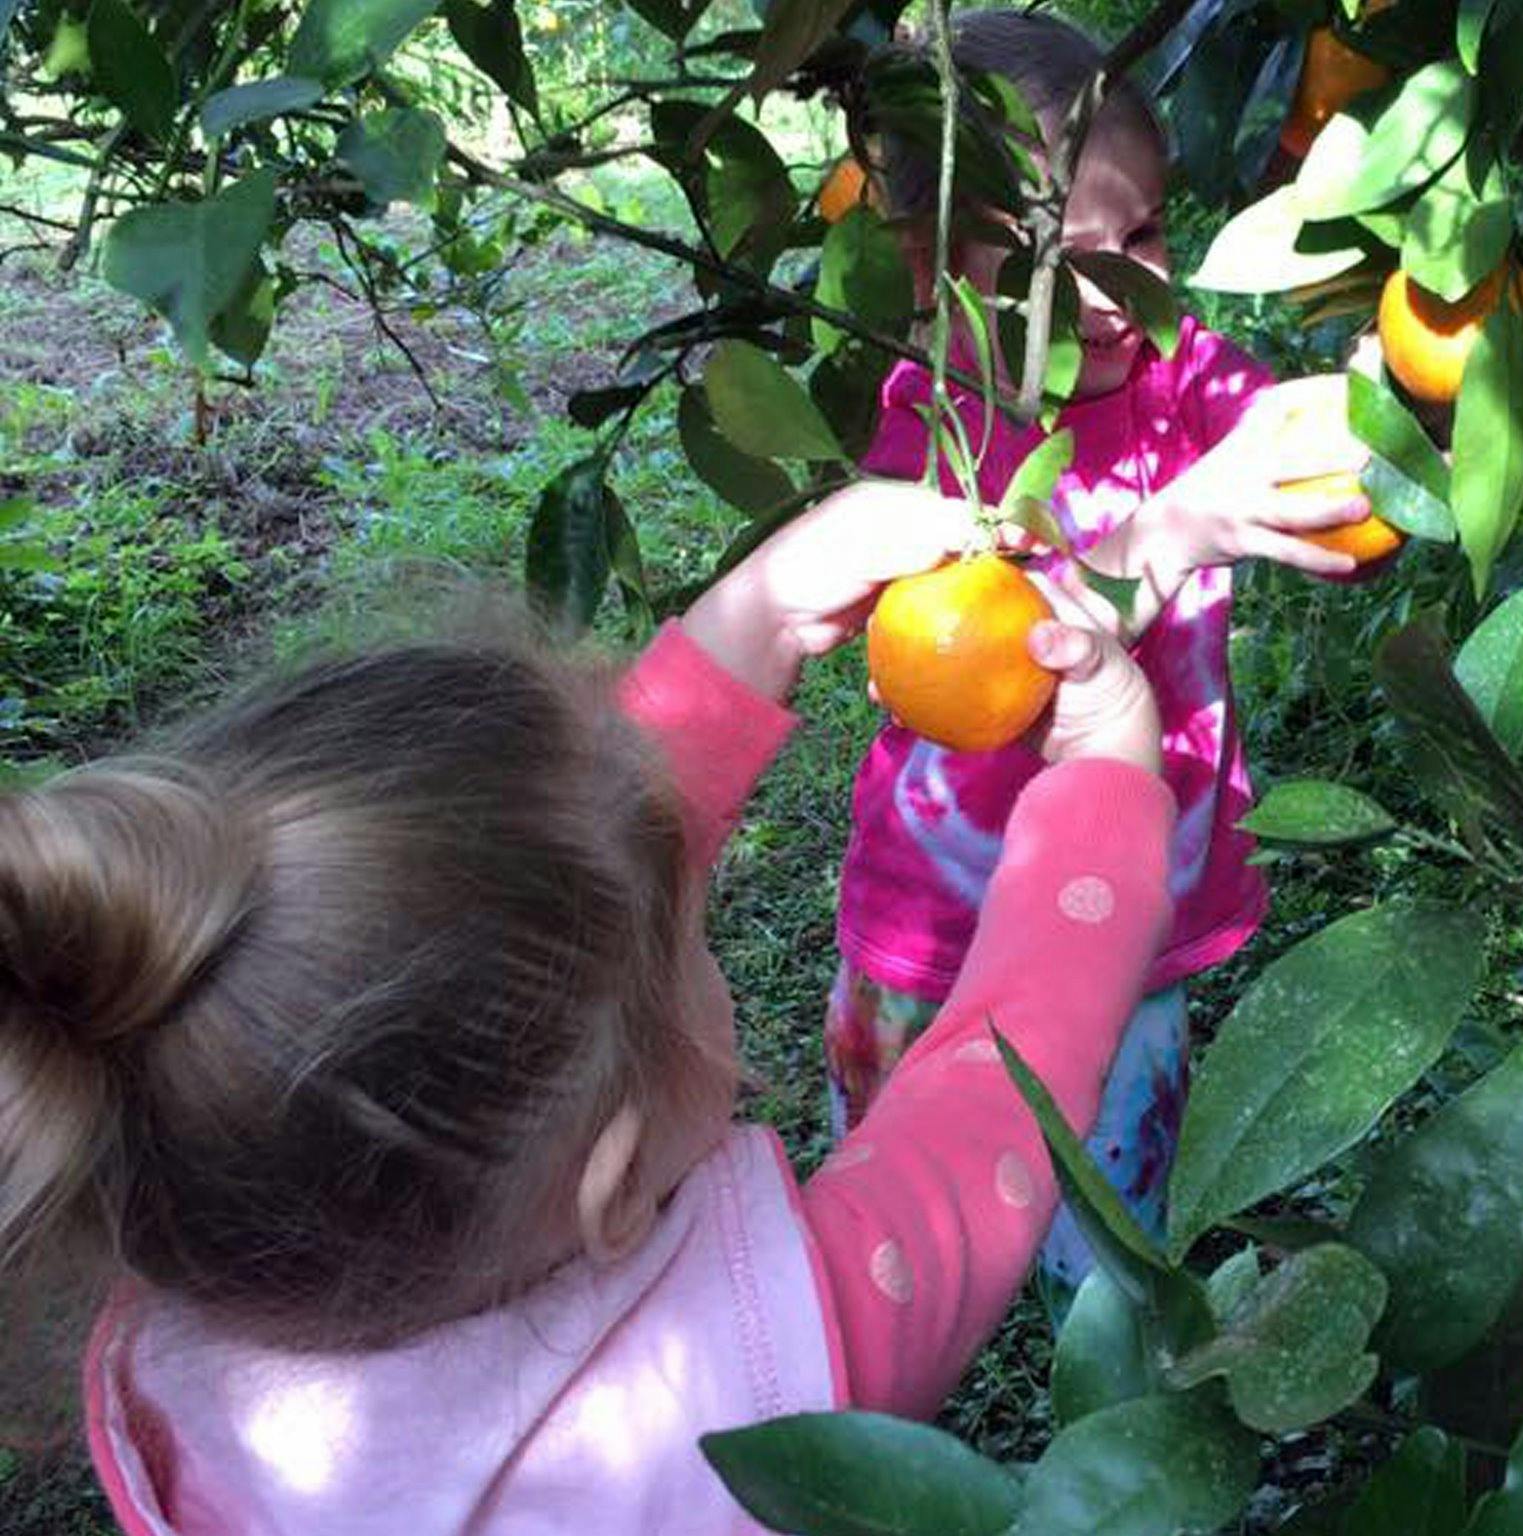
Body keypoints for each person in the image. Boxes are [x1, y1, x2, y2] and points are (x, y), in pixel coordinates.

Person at [0, 483, 1176, 1535]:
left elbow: (549, 892)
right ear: (611, 1182)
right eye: (685, 944)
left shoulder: (194, 1208)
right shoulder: (759, 1384)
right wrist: (1107, 778)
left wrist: (763, 614)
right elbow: (1001, 1094)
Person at [828, 7, 1376, 1302]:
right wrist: (1177, 523)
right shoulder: (928, 428)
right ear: (932, 267)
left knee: (1121, 1270)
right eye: (1064, 255)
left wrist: (1373, 403)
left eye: (1145, 236)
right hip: (935, 940)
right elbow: (1002, 657)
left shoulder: (1178, 375)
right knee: (885, 1266)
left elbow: (1298, 452)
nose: (1120, 287)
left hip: (1132, 930)